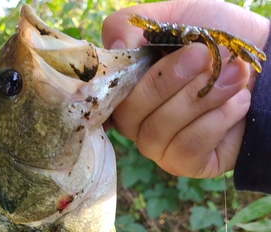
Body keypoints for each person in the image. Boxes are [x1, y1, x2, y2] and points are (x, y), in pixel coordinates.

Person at [102, 0, 271, 192]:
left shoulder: (202, 36)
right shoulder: (155, 31)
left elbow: (215, 39)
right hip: (150, 54)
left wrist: (263, 78)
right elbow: (130, 26)